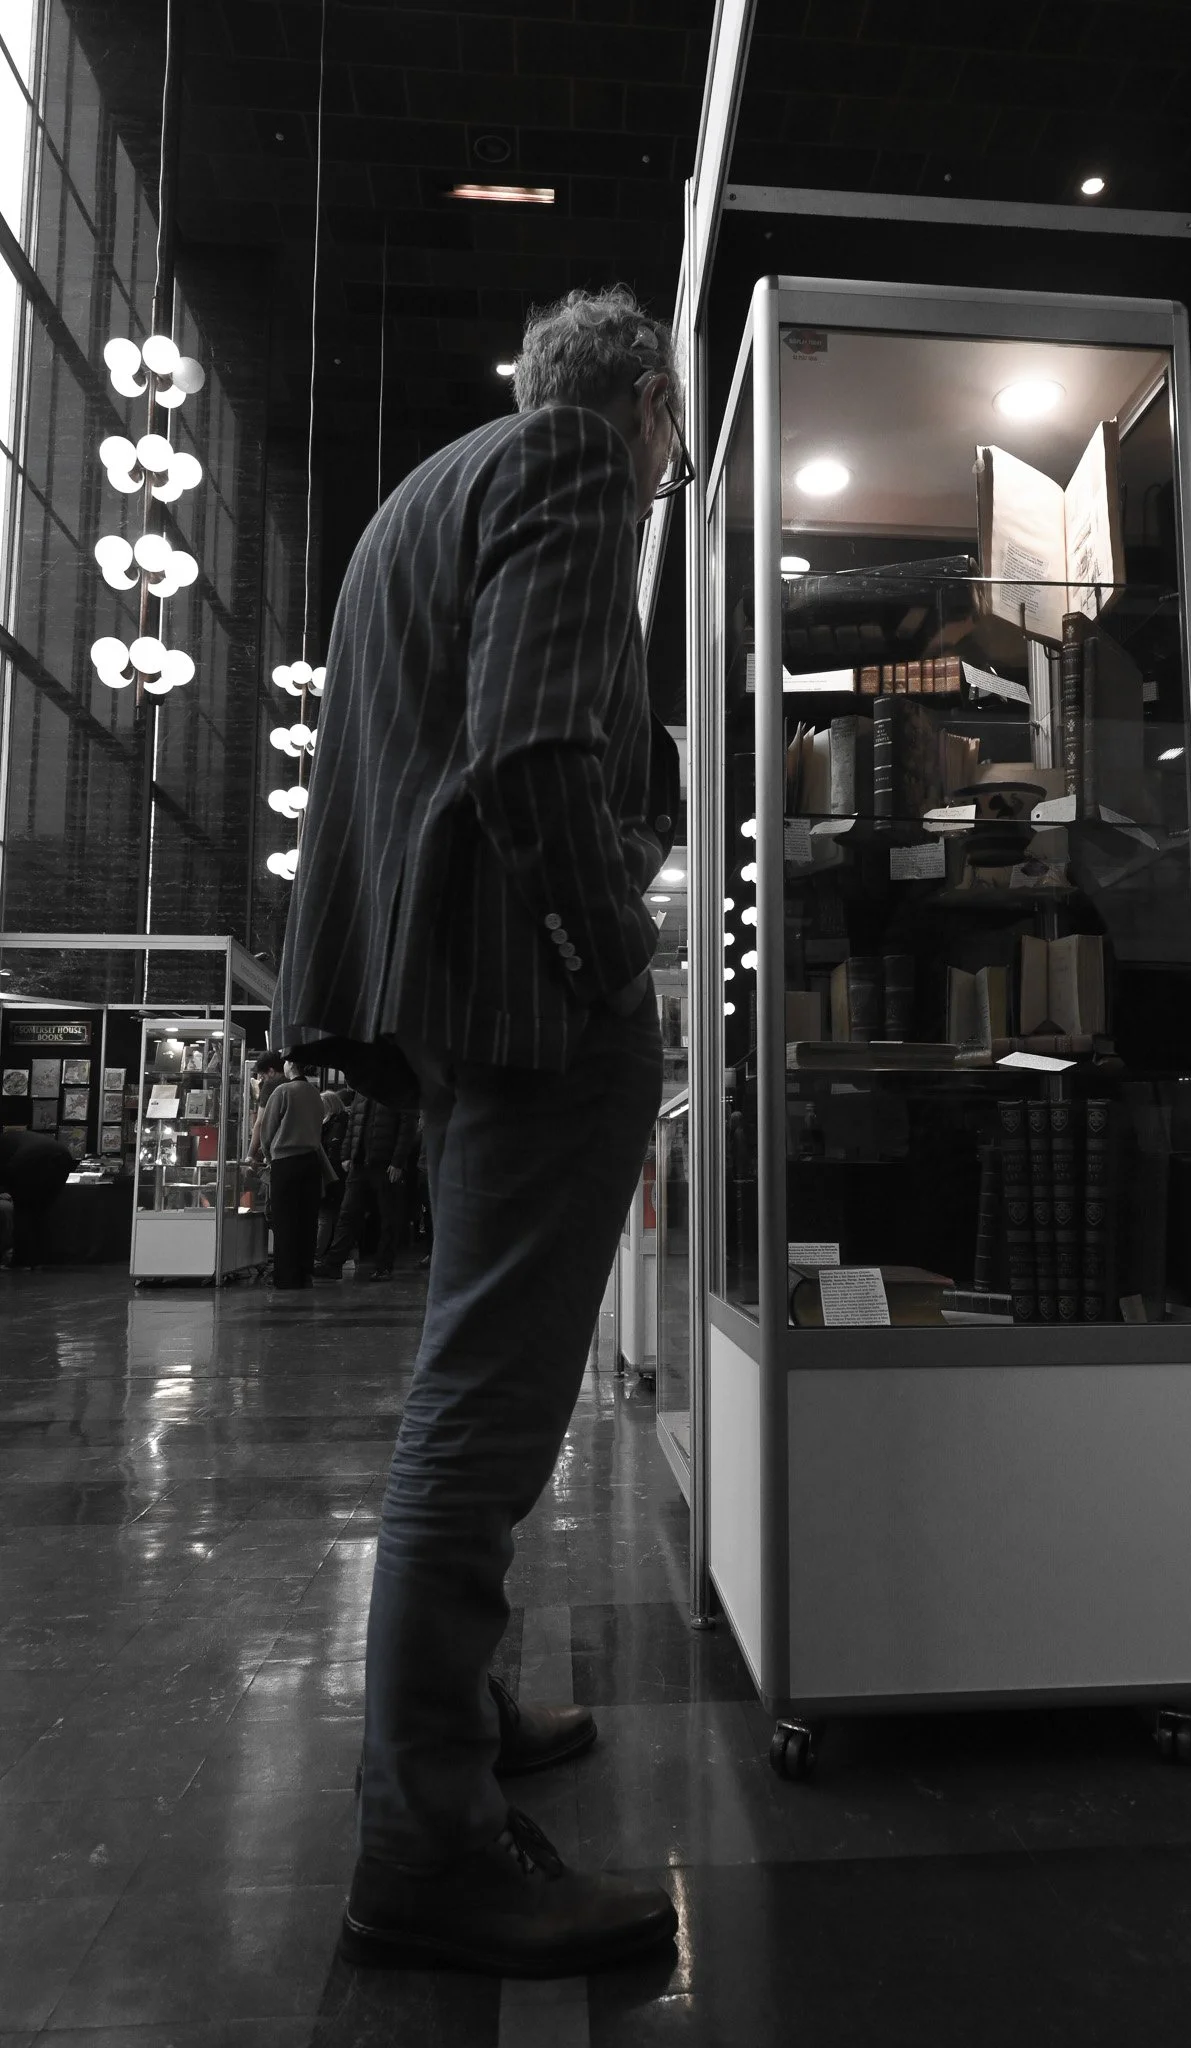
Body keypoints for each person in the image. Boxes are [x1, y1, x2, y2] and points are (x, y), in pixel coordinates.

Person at [273, 284, 686, 1976]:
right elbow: (529, 754)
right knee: (485, 1407)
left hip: (425, 1007)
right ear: (647, 413)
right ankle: (427, 1840)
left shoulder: (429, 489)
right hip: (528, 1010)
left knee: (471, 1377)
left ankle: (459, 1711)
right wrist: (614, 962)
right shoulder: (583, 467)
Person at [315, 1091, 418, 1282]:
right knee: (347, 1214)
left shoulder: (397, 1089)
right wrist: (347, 1154)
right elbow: (353, 1122)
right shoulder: (363, 1092)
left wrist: (397, 1162)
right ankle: (334, 1264)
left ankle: (384, 1266)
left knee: (388, 1218)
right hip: (360, 1163)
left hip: (385, 1164)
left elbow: (408, 1126)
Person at [258, 1050, 328, 1289]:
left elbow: (267, 1130)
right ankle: (304, 1272)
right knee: (307, 1220)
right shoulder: (315, 1094)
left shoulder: (282, 1091)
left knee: (285, 1220)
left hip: (285, 1162)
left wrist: (268, 1155)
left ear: (290, 1066)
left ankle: (286, 1276)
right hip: (311, 1162)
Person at [0, 1129, 73, 1268]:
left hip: (29, 1160)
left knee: (23, 1212)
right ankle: (39, 1258)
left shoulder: (6, 1143)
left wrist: (8, 1191)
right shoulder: (13, 1137)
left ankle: (21, 1261)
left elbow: (6, 1171)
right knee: (40, 1211)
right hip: (62, 1156)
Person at [314, 1088, 349, 1266]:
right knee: (330, 1217)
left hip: (330, 1177)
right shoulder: (341, 1123)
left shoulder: (332, 1126)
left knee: (325, 1217)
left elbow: (331, 1154)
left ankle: (318, 1253)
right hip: (336, 1177)